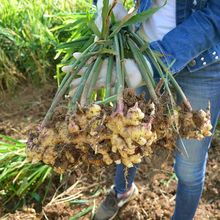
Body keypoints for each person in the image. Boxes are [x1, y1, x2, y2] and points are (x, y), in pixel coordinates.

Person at [92, 0, 220, 220]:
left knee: (189, 166)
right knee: (128, 137)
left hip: (202, 64)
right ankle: (122, 192)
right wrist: (104, 6)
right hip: (142, 48)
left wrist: (156, 62)